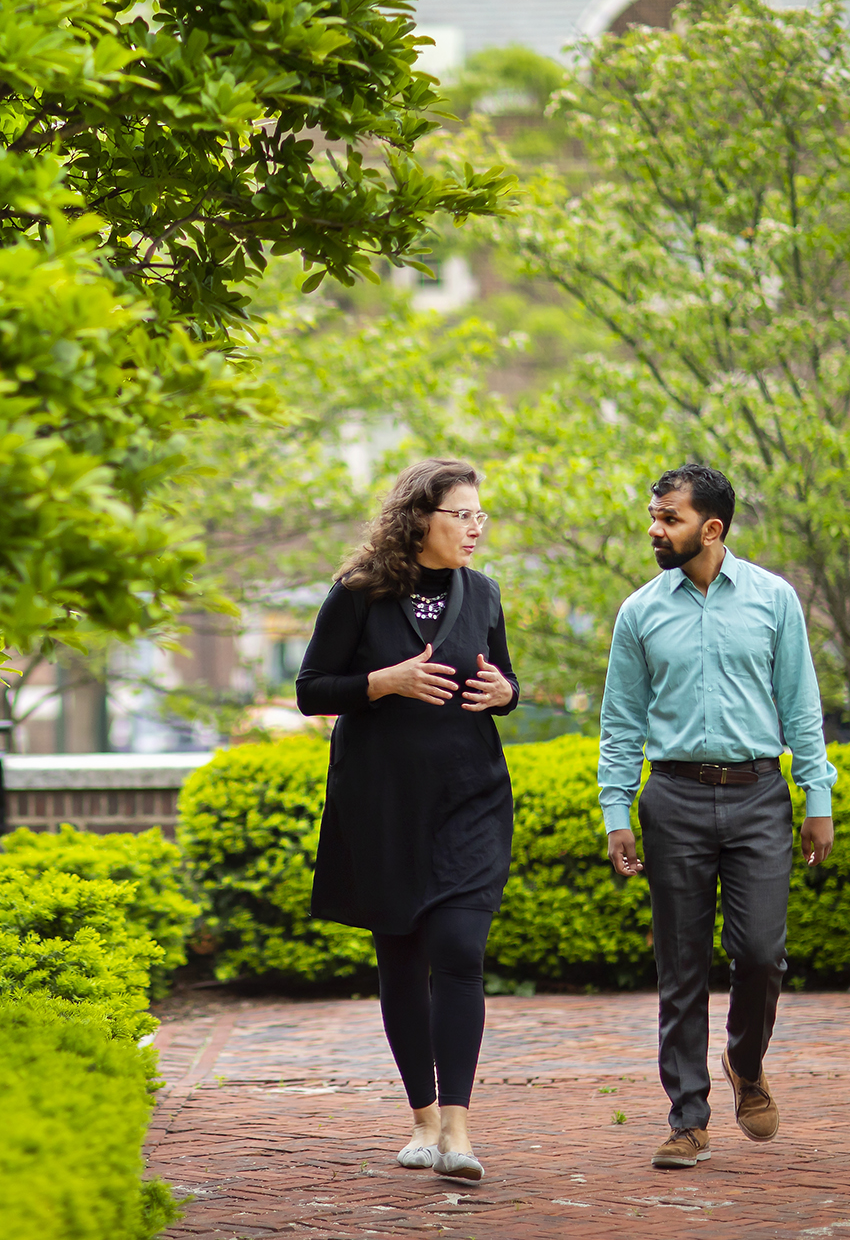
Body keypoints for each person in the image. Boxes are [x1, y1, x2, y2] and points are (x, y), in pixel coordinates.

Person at [598, 463, 836, 1170]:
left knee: (761, 953)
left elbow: (802, 708)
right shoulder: (640, 611)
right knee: (681, 965)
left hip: (760, 793)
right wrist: (617, 811)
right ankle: (688, 1116)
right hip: (672, 797)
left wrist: (816, 798)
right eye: (653, 514)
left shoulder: (774, 599)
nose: (654, 528)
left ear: (711, 528)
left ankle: (745, 1061)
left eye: (668, 517)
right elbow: (620, 724)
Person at [296, 458, 520, 1182]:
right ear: (420, 517)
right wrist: (383, 682)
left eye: (480, 515)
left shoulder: (483, 593)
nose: (475, 528)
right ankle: (422, 1116)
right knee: (400, 954)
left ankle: (458, 1126)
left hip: (469, 795)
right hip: (384, 801)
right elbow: (309, 690)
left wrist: (505, 692)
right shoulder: (358, 594)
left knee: (458, 945)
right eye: (463, 514)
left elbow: (504, 679)